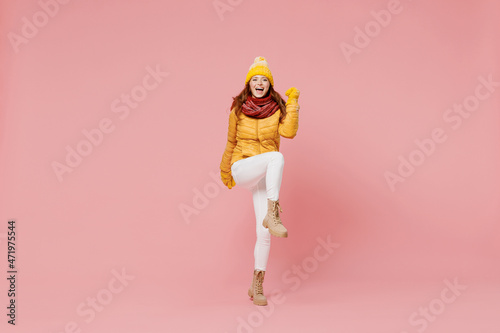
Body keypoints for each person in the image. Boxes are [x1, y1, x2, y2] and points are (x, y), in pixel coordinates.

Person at [220, 56, 300, 306]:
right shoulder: (238, 109)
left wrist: (294, 103)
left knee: (263, 232)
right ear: (249, 83)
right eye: (255, 79)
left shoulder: (277, 108)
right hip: (243, 165)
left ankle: (256, 285)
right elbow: (231, 141)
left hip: (264, 172)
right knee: (276, 156)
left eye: (264, 80)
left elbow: (288, 132)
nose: (259, 83)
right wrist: (225, 171)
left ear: (269, 85)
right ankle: (273, 212)